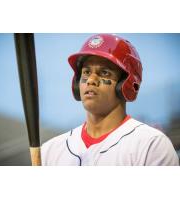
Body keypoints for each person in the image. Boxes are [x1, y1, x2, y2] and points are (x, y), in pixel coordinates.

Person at [41, 34, 179, 166]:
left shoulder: (150, 145)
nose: (91, 80)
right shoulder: (50, 151)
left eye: (104, 73)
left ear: (127, 84)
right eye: (86, 72)